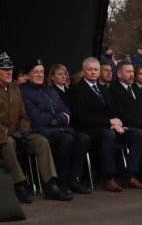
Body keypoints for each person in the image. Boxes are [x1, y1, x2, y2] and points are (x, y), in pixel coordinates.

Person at [0, 52, 70, 203]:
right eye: (4, 69)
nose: (9, 72)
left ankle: (51, 184)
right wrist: (9, 132)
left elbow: (24, 115)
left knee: (41, 142)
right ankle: (18, 184)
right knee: (9, 143)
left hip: (18, 131)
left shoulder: (15, 89)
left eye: (10, 69)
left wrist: (24, 130)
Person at [69, 57, 142, 192]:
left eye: (96, 69)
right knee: (109, 135)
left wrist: (116, 122)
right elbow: (82, 117)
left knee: (139, 135)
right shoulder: (77, 90)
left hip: (109, 127)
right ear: (83, 71)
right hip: (89, 129)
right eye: (90, 69)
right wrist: (109, 123)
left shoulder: (103, 88)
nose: (93, 72)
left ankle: (129, 175)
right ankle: (108, 178)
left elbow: (113, 110)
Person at [20, 59, 92, 194]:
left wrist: (59, 120)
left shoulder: (50, 90)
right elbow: (34, 115)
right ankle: (62, 180)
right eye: (36, 72)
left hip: (59, 127)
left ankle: (73, 179)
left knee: (83, 138)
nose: (40, 75)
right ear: (28, 75)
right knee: (66, 140)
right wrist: (53, 120)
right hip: (41, 129)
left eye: (41, 72)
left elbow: (65, 110)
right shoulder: (23, 91)